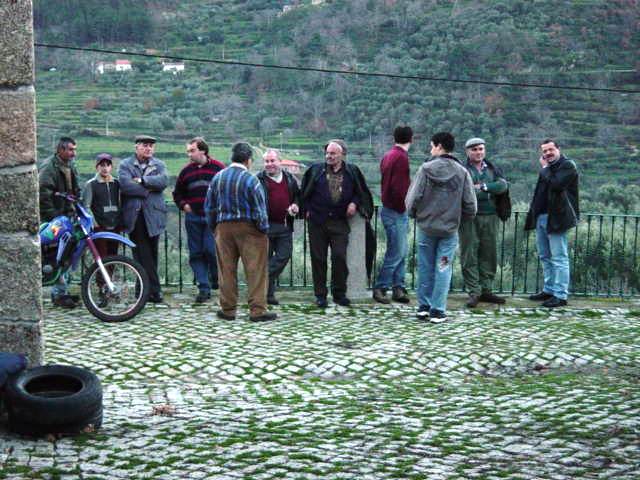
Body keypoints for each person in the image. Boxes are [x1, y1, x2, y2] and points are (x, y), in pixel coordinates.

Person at [405, 132, 476, 323]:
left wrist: (414, 214)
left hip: (426, 228)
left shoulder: (425, 169)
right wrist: (462, 220)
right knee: (443, 268)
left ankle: (423, 307)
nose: (431, 149)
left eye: (431, 146)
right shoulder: (462, 172)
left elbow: (413, 198)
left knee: (425, 267)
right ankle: (438, 310)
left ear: (438, 146)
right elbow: (471, 204)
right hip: (449, 231)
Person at [204, 142, 276, 322]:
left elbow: (209, 207)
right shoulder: (251, 180)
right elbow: (260, 210)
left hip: (223, 227)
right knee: (256, 270)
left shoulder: (218, 177)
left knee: (226, 270)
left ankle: (228, 310)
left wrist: (215, 227)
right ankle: (257, 310)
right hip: (249, 228)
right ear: (248, 160)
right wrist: (263, 230)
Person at [300, 139, 373, 308]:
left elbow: (359, 191)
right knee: (318, 259)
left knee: (339, 257)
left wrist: (354, 203)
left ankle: (339, 293)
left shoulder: (352, 172)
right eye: (327, 153)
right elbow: (304, 191)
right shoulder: (315, 170)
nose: (329, 156)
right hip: (317, 222)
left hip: (340, 222)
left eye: (333, 153)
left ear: (342, 154)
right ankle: (321, 295)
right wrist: (307, 209)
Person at [524, 139, 579, 308]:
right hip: (541, 217)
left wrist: (545, 168)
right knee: (545, 256)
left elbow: (556, 185)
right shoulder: (548, 169)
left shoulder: (568, 166)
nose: (547, 153)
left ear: (558, 149)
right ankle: (548, 290)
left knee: (559, 258)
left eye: (550, 150)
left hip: (557, 218)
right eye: (544, 151)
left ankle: (560, 295)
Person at [173, 137, 225, 303]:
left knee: (210, 249)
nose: (189, 154)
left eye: (192, 150)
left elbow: (225, 191)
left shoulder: (218, 168)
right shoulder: (186, 171)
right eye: (188, 151)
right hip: (193, 217)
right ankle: (204, 288)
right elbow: (177, 193)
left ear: (203, 150)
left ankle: (215, 277)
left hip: (213, 217)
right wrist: (183, 205)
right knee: (195, 252)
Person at [459, 137, 509, 308]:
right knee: (469, 253)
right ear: (467, 152)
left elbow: (502, 186)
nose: (478, 152)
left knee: (489, 253)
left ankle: (486, 290)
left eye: (481, 149)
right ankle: (474, 291)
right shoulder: (462, 169)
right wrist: (487, 188)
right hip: (468, 217)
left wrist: (482, 187)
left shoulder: (494, 168)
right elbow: (465, 190)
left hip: (491, 216)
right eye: (474, 149)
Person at [118, 135, 168, 304]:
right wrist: (147, 189)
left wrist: (142, 181)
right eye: (145, 145)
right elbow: (125, 185)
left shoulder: (159, 164)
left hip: (154, 216)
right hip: (135, 216)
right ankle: (155, 289)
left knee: (151, 253)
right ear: (136, 147)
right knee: (142, 253)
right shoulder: (125, 164)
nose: (149, 149)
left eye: (151, 146)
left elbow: (163, 181)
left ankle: (143, 291)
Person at [38, 136, 81, 308]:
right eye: (70, 149)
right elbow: (43, 193)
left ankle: (61, 292)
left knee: (66, 254)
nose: (73, 153)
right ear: (60, 150)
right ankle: (59, 294)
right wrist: (54, 216)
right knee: (56, 255)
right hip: (55, 219)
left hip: (66, 216)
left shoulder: (70, 166)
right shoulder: (49, 167)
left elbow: (75, 189)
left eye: (74, 149)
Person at [372, 126, 413, 304]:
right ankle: (381, 287)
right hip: (396, 210)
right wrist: (404, 207)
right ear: (411, 139)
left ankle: (398, 287)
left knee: (400, 251)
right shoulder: (402, 158)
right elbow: (399, 188)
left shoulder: (388, 156)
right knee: (397, 252)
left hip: (388, 208)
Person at [256, 149, 301, 306]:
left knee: (284, 256)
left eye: (272, 161)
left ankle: (262, 279)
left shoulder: (289, 179)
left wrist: (296, 205)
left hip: (284, 226)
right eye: (266, 161)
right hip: (265, 227)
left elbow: (297, 196)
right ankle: (268, 296)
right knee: (265, 259)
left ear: (279, 162)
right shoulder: (258, 179)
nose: (269, 164)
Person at [82, 153, 121, 261]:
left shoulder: (116, 183)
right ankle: (101, 279)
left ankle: (110, 278)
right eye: (102, 165)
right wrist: (95, 225)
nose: (105, 168)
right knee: (101, 259)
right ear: (97, 167)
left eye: (108, 165)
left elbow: (120, 202)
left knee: (114, 257)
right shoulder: (91, 184)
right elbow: (86, 206)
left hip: (115, 226)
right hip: (99, 227)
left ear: (111, 167)